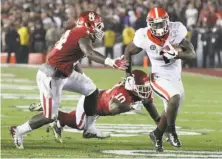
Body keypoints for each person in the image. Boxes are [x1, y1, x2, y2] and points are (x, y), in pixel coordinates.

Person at [10, 11, 128, 149]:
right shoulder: (82, 34)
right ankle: (18, 131)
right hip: (51, 76)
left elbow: (73, 58)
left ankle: (89, 128)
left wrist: (82, 77)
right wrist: (111, 61)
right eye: (97, 26)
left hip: (64, 72)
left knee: (92, 90)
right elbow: (89, 53)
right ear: (88, 25)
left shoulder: (75, 32)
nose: (99, 30)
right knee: (50, 116)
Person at [123, 8, 196, 152]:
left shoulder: (176, 31)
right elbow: (128, 51)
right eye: (155, 24)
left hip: (176, 77)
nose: (159, 27)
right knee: (173, 99)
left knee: (171, 110)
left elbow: (192, 54)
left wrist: (177, 54)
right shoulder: (143, 36)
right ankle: (172, 131)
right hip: (158, 76)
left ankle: (157, 133)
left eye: (161, 23)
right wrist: (128, 76)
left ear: (167, 22)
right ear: (149, 24)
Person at [29, 70, 160, 143]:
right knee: (80, 126)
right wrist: (131, 107)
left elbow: (149, 104)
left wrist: (160, 124)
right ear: (132, 85)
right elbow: (114, 106)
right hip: (91, 102)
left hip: (98, 107)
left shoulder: (134, 92)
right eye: (141, 88)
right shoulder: (122, 93)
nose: (144, 91)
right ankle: (54, 113)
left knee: (79, 123)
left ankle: (58, 121)